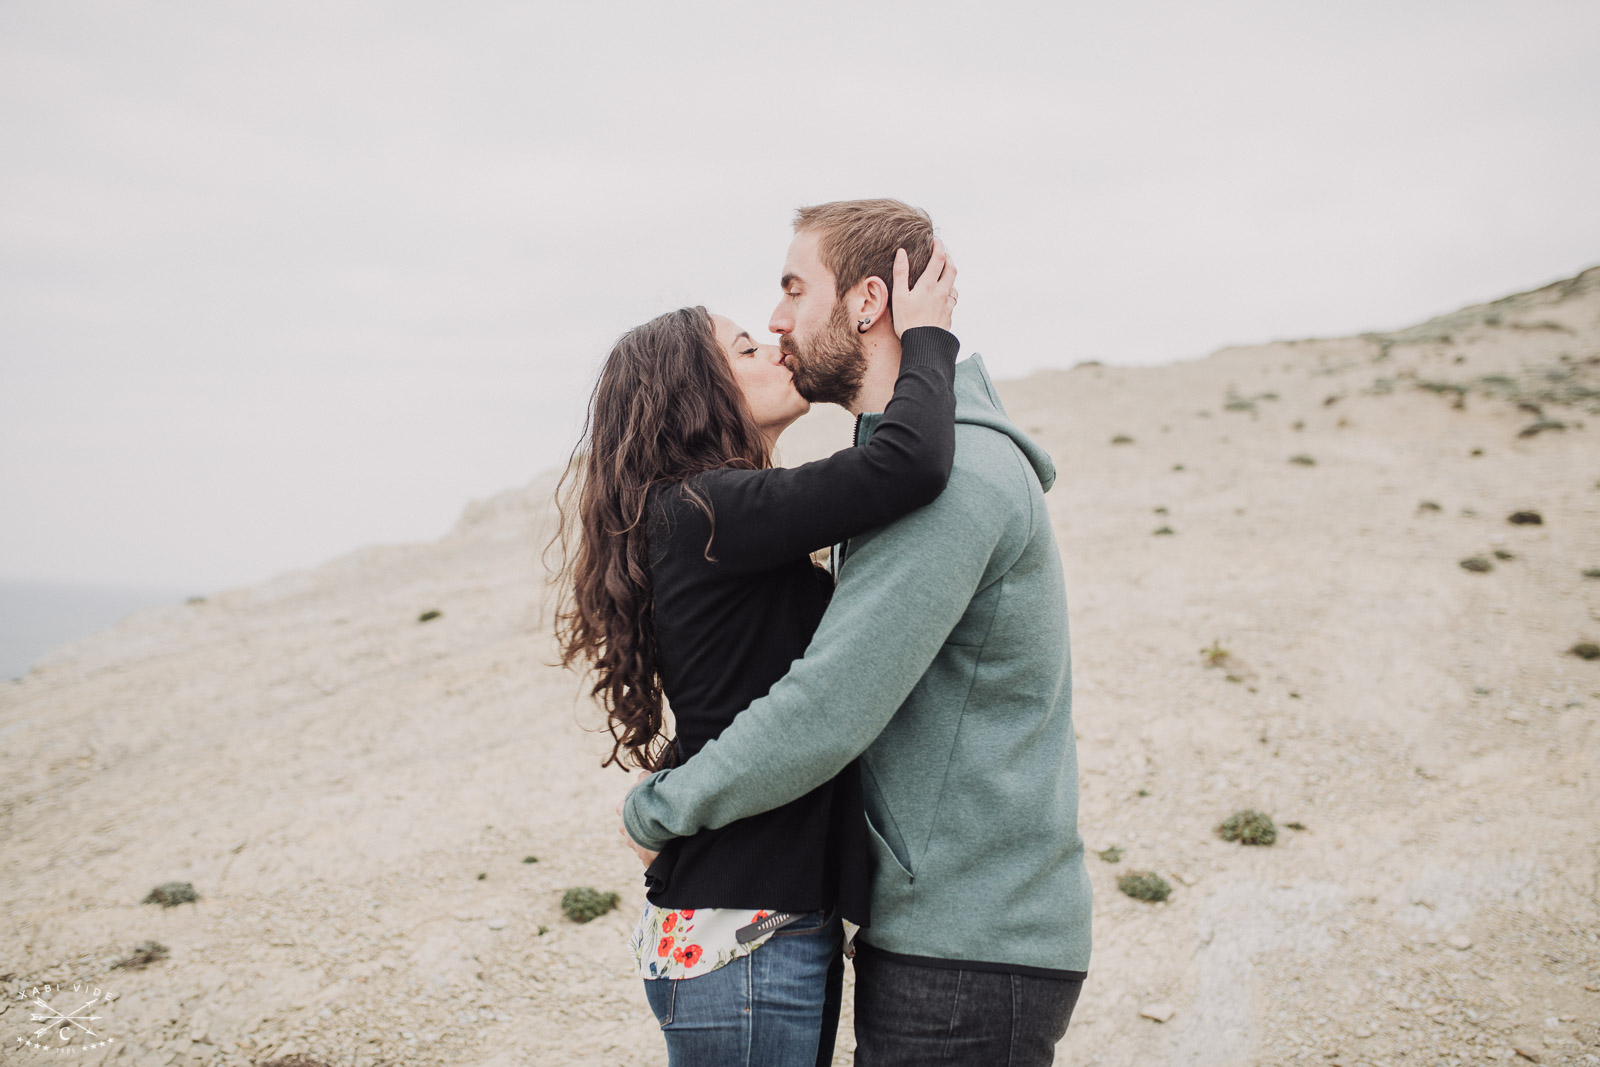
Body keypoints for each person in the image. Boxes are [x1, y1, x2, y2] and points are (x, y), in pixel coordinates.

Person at [621, 199, 1092, 1067]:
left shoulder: (948, 482)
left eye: (794, 288)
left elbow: (827, 707)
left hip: (968, 936)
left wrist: (661, 805)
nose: (776, 318)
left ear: (868, 303)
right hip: (933, 924)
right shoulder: (863, 482)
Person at [552, 239, 961, 1066]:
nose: (775, 346)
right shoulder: (713, 508)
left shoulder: (705, 516)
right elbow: (906, 462)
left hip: (751, 921)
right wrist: (926, 338)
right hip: (742, 932)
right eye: (745, 348)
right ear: (698, 393)